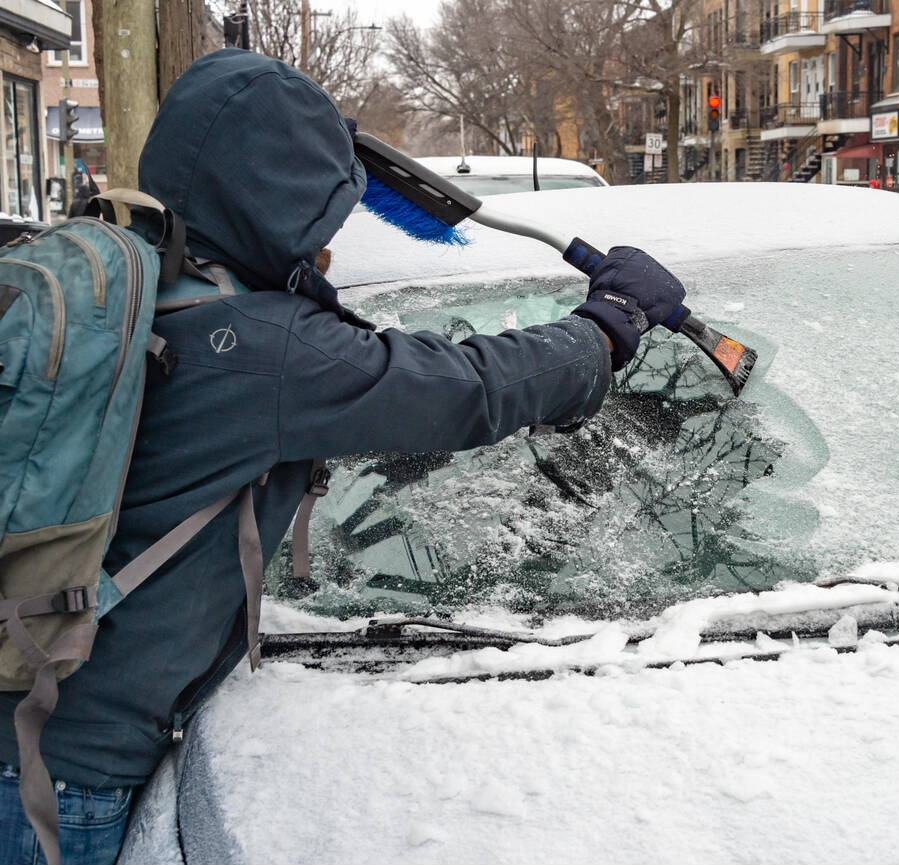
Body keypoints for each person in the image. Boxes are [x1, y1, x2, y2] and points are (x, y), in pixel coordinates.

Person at [0, 48, 685, 865]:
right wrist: (604, 330)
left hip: (29, 729)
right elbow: (467, 388)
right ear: (282, 201)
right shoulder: (267, 350)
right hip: (64, 782)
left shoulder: (143, 281)